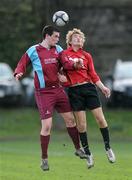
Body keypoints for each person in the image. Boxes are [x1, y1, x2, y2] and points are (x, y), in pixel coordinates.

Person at [14, 25, 86, 171]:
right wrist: (18, 73)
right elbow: (22, 64)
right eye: (56, 37)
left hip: (58, 90)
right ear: (47, 36)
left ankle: (78, 149)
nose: (58, 39)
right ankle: (44, 159)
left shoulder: (59, 50)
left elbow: (66, 62)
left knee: (71, 120)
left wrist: (74, 65)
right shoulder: (33, 50)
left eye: (58, 37)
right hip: (43, 92)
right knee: (47, 126)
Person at [60, 28, 116, 169]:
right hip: (74, 91)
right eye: (75, 37)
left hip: (89, 88)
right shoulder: (64, 54)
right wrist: (65, 76)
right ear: (70, 41)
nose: (78, 38)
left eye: (80, 37)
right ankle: (89, 154)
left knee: (100, 119)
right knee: (82, 125)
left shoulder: (87, 56)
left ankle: (108, 148)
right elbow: (64, 68)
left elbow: (93, 74)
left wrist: (102, 87)